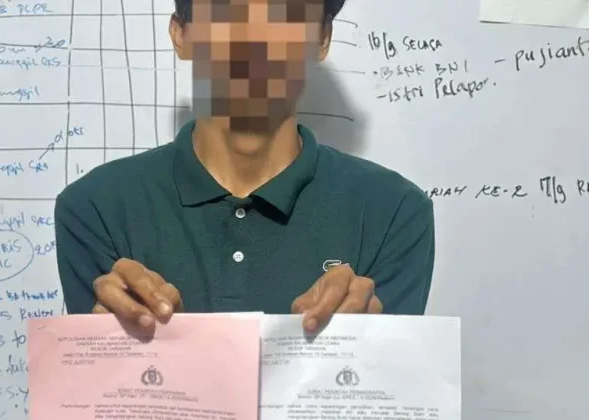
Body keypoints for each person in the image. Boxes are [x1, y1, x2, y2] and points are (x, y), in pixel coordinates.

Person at [54, 0, 435, 334]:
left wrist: (360, 338)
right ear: (181, 34)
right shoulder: (96, 206)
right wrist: (156, 335)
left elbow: (383, 383)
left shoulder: (393, 211)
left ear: (321, 38)